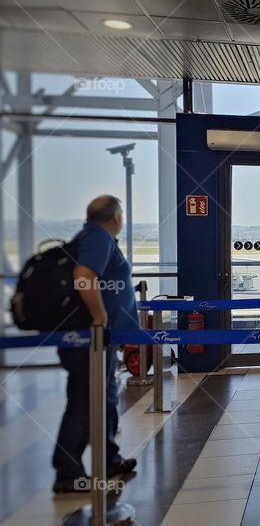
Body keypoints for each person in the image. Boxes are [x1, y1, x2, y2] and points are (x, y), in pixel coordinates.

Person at [53, 196, 139, 493]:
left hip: (101, 342)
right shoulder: (98, 238)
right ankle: (68, 472)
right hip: (91, 340)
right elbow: (83, 276)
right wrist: (100, 319)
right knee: (84, 403)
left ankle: (109, 458)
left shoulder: (89, 236)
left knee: (106, 398)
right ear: (116, 217)